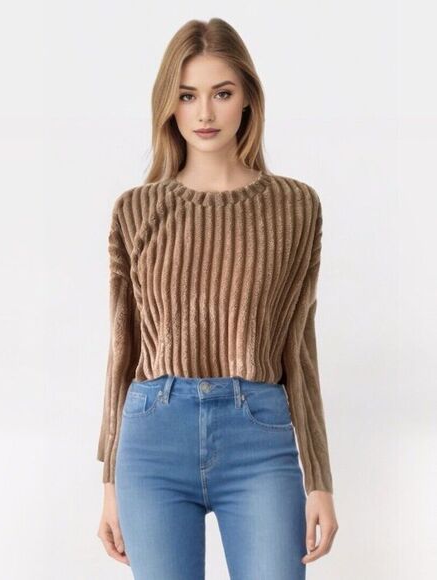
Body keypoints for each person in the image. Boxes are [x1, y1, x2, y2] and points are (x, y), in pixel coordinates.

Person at [96, 17, 338, 579]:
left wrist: (320, 480)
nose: (204, 113)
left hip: (258, 437)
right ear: (169, 105)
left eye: (221, 93)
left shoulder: (295, 207)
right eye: (187, 95)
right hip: (152, 438)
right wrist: (108, 482)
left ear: (248, 98)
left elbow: (298, 348)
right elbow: (122, 351)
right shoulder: (136, 209)